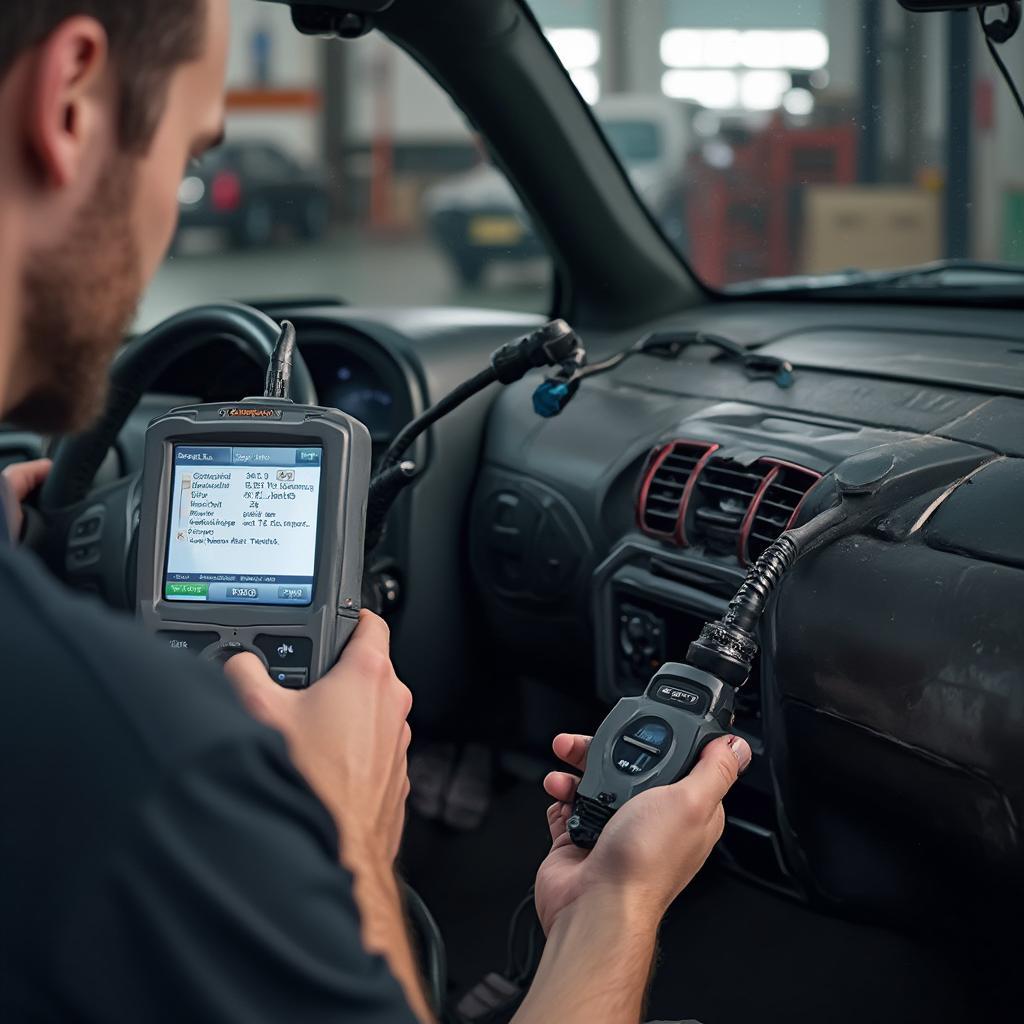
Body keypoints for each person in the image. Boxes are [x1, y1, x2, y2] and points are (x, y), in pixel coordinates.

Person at [0, 2, 752, 1021]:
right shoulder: (158, 776)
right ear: (72, 102)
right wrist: (343, 840)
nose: (170, 212)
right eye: (186, 150)